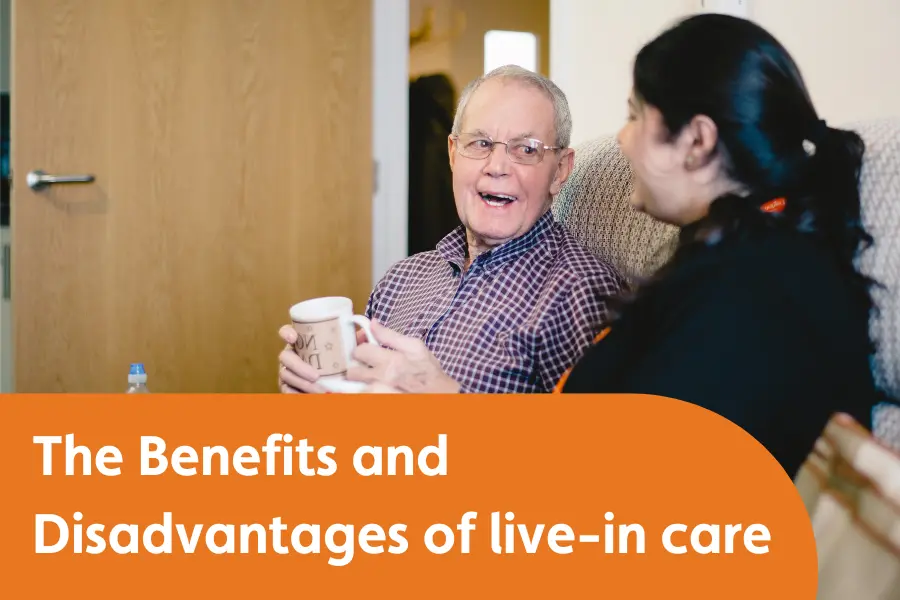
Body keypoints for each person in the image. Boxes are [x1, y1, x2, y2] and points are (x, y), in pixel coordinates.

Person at [556, 14, 884, 477]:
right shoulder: (742, 261)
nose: (622, 139)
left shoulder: (752, 294)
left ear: (696, 141)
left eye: (634, 115)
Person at [278, 65, 625, 394]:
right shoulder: (401, 278)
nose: (497, 167)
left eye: (526, 149)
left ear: (561, 170)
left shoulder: (583, 293)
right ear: (453, 154)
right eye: (481, 143)